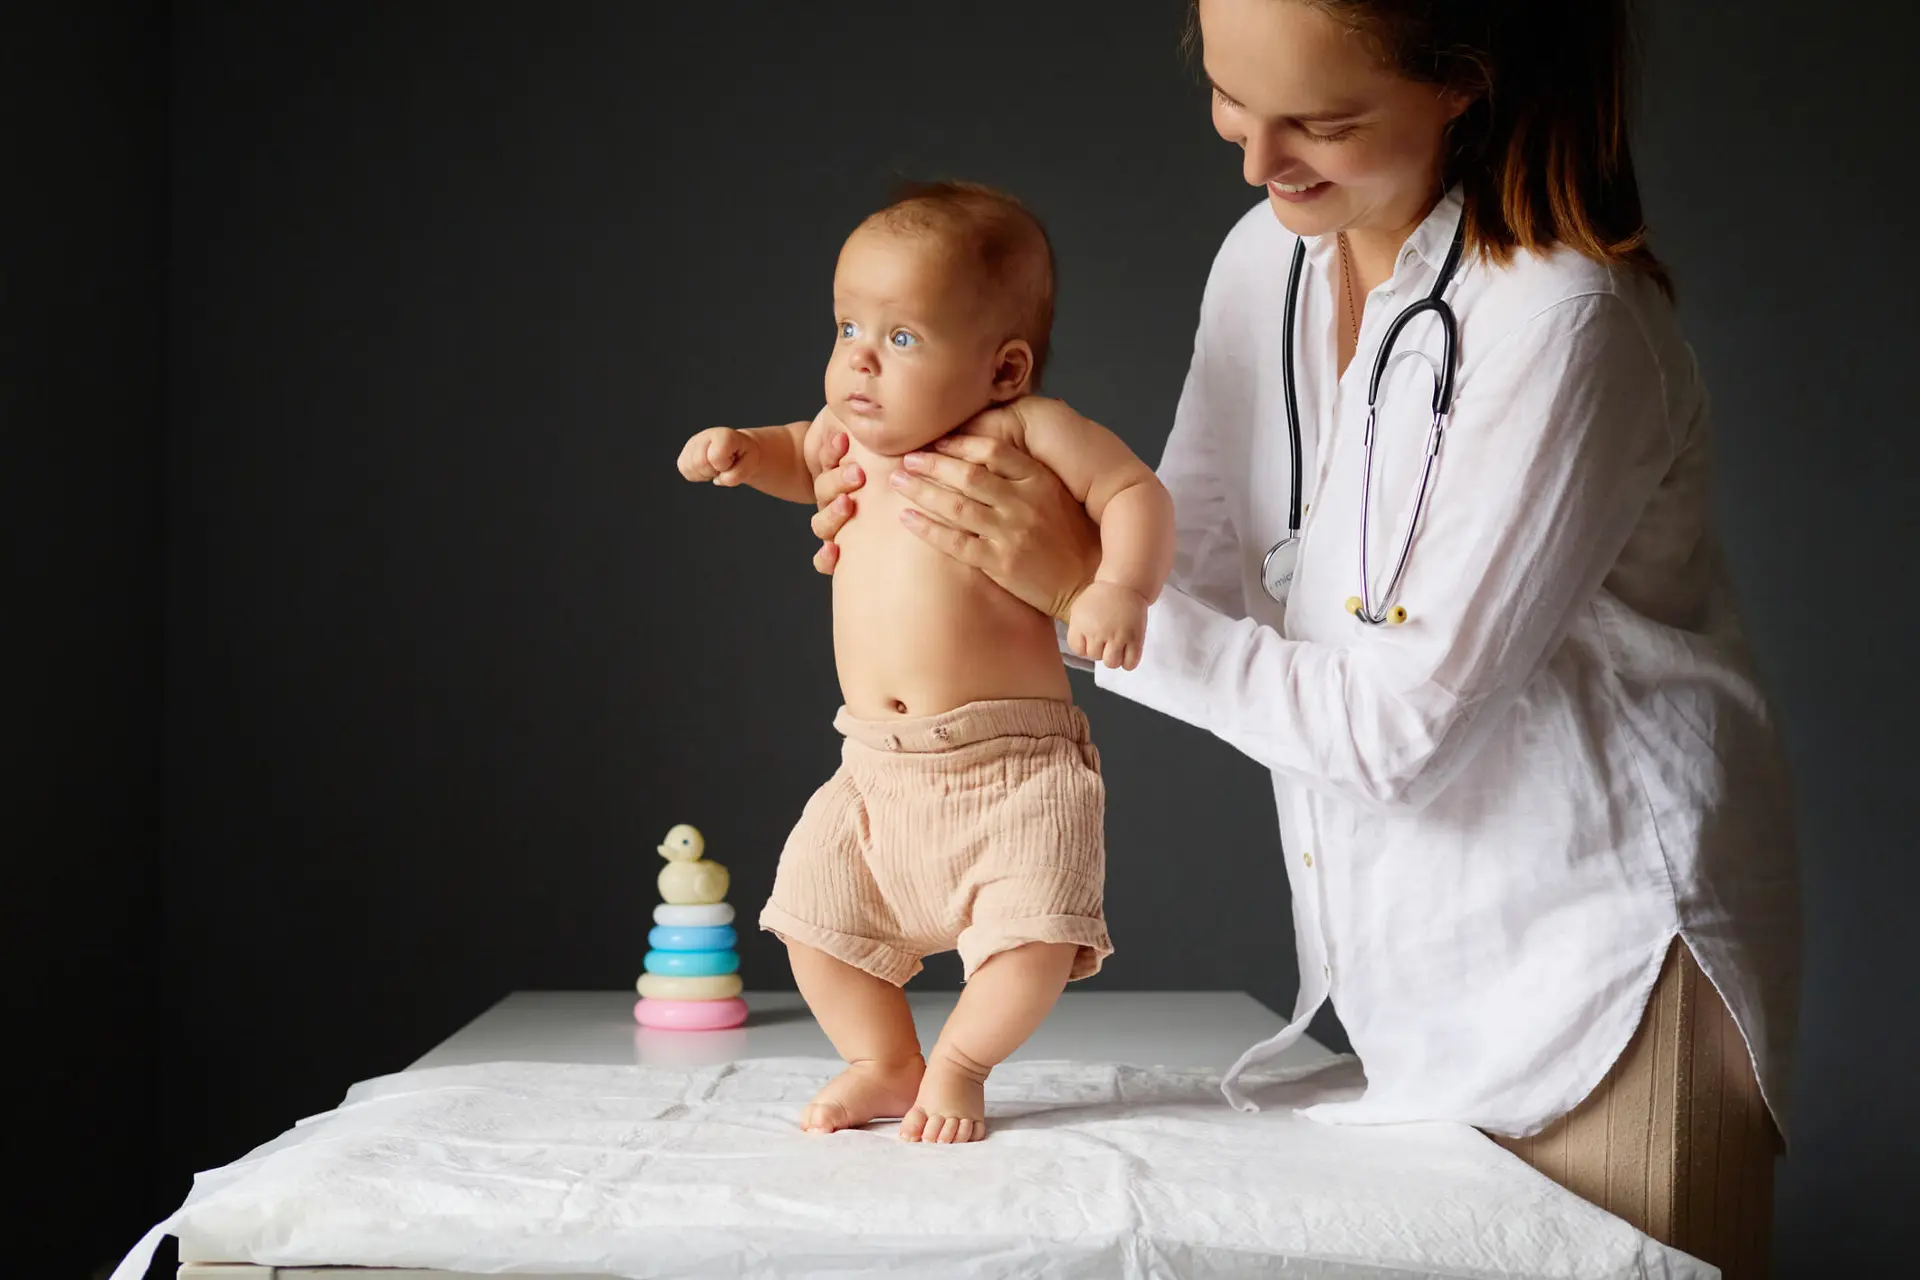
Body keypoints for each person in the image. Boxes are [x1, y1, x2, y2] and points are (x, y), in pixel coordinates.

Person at [808, 1, 1799, 1273]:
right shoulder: (1266, 261)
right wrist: (937, 533)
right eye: (1229, 99)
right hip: (1410, 976)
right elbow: (1187, 580)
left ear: (1465, 83)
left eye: (1320, 122)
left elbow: (1394, 732)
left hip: (1604, 984)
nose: (1255, 159)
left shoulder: (1566, 325)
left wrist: (1062, 580)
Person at [677, 181, 1176, 1144]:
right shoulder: (846, 433)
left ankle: (960, 1062)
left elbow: (1131, 490)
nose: (860, 358)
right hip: (872, 768)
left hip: (1012, 766)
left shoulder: (1023, 430)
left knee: (1035, 937)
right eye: (847, 326)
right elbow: (797, 454)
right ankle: (885, 1061)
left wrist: (1119, 588)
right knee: (811, 920)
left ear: (1003, 368)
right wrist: (746, 452)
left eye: (901, 338)